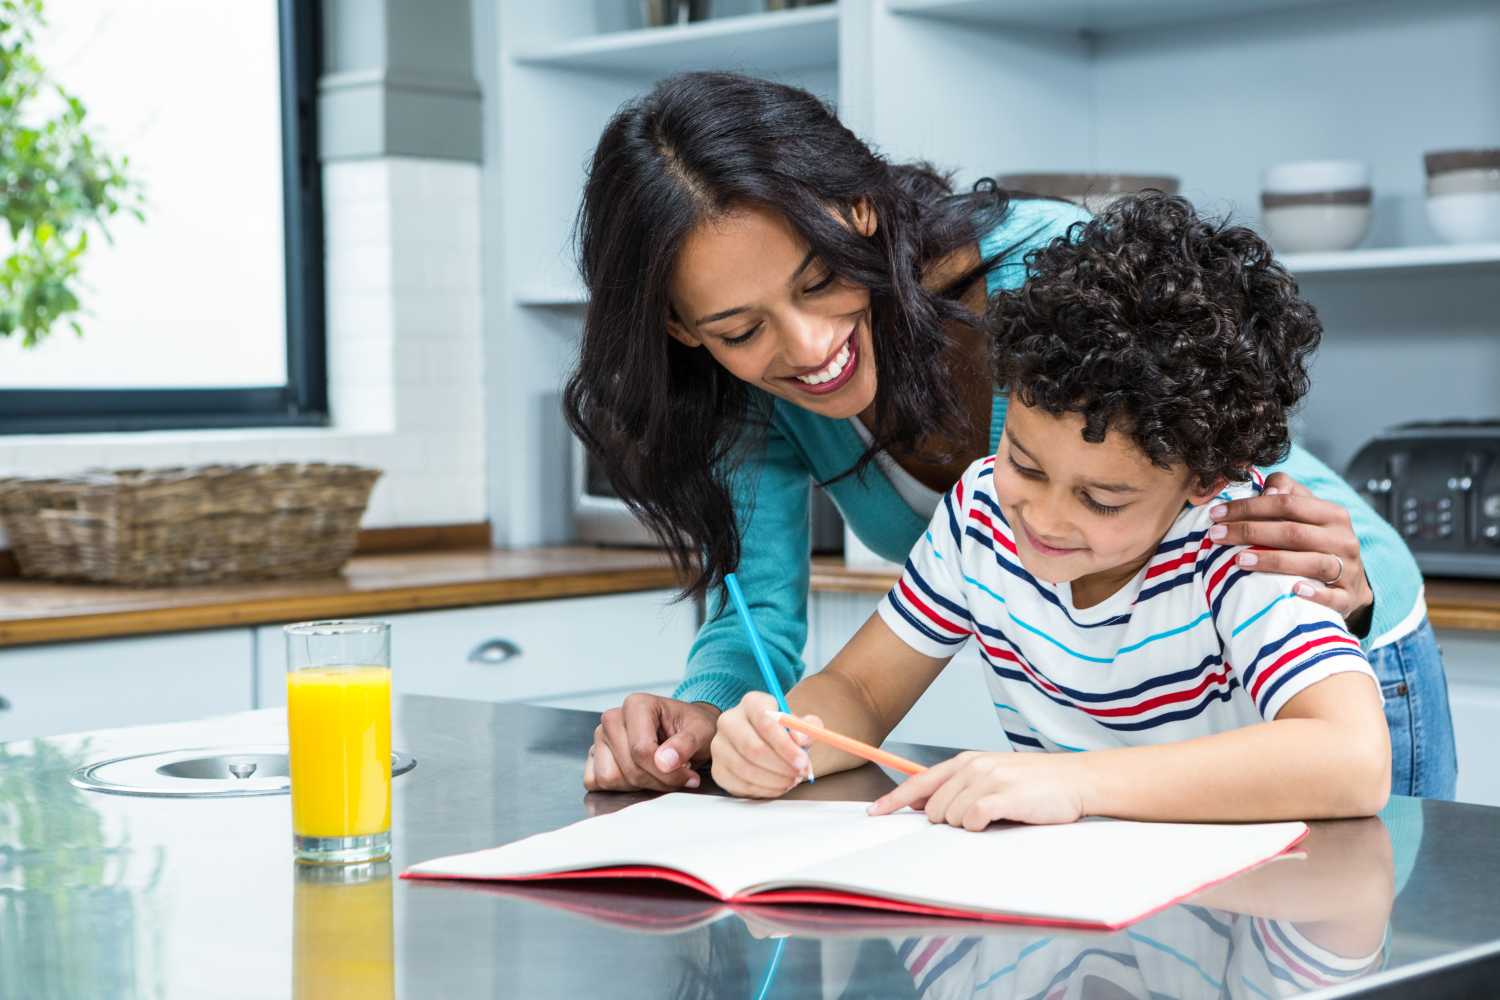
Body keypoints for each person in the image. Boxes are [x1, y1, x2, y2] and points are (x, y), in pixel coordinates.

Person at [564, 71, 1455, 799]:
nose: (806, 349)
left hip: (1319, 617)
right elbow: (794, 644)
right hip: (1117, 726)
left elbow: (1338, 751)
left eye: (818, 280)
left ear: (860, 213)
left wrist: (1074, 784)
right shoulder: (986, 513)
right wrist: (721, 731)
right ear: (685, 331)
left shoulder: (1066, 303)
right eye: (738, 329)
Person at [710, 193, 1390, 827]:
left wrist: (1075, 782)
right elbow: (858, 690)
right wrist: (784, 734)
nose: (1043, 518)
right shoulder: (979, 514)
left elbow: (1353, 760)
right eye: (1026, 464)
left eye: (1102, 498)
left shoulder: (1240, 548)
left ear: (1205, 481)